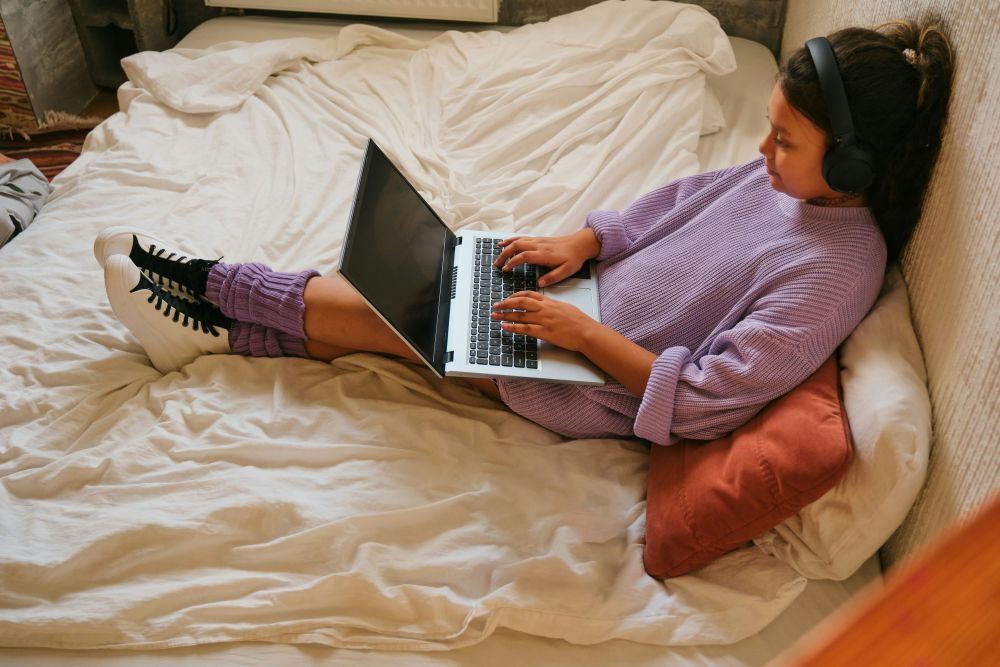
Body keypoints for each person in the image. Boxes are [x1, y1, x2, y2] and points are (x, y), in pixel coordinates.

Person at [95, 19, 953, 446]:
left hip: (589, 380)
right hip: (571, 313)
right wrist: (590, 242)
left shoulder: (836, 271)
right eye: (766, 129)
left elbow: (701, 402)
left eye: (785, 141)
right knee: (419, 288)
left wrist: (585, 334)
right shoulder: (789, 185)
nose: (762, 152)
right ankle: (215, 314)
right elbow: (685, 198)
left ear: (851, 169)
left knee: (408, 313)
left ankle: (208, 300)